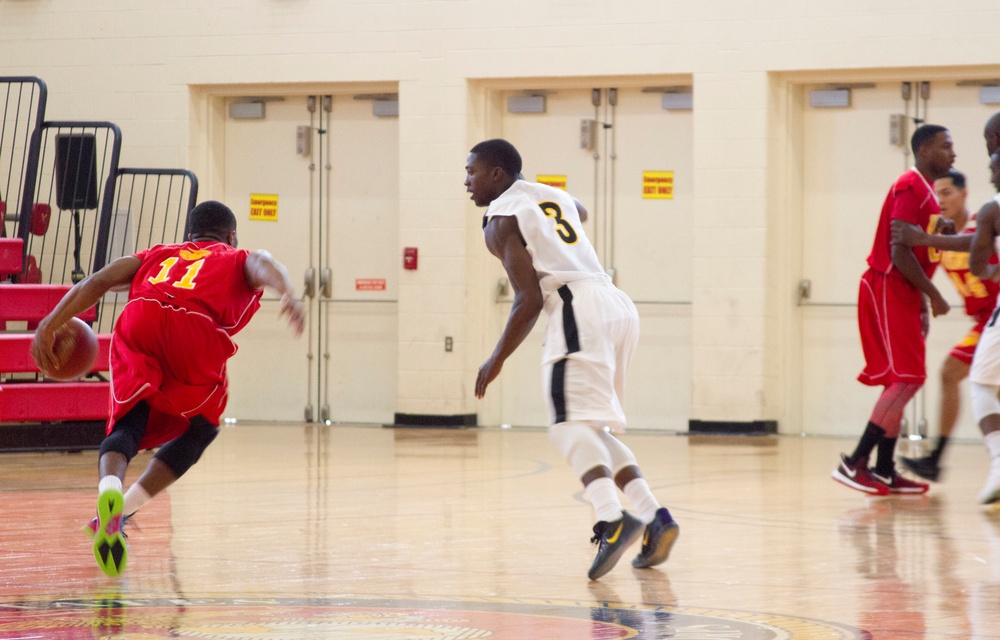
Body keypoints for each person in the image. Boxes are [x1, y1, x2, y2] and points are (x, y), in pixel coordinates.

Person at [31, 200, 305, 577]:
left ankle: (109, 493)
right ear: (231, 236)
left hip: (141, 319)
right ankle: (123, 510)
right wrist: (287, 290)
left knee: (128, 421)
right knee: (201, 426)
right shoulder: (233, 256)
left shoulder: (157, 255)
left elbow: (97, 282)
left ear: (188, 237)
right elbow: (262, 261)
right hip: (195, 329)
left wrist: (50, 322)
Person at [465, 138, 677, 580]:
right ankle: (654, 517)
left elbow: (527, 300)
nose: (467, 181)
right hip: (617, 304)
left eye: (472, 172)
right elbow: (578, 211)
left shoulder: (499, 222)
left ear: (497, 175)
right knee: (591, 429)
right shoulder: (552, 195)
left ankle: (611, 519)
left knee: (566, 426)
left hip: (577, 307)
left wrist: (496, 358)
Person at [831, 124, 956, 496]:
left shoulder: (930, 196)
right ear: (923, 150)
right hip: (887, 284)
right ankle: (854, 463)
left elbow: (919, 251)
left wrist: (920, 300)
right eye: (946, 146)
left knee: (905, 379)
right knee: (906, 378)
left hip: (903, 293)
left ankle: (884, 469)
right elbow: (899, 249)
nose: (953, 153)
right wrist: (933, 294)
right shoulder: (909, 184)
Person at [896, 170, 1000, 482]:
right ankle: (937, 460)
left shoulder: (982, 225)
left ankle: (938, 460)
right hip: (983, 323)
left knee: (953, 374)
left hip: (993, 319)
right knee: (954, 377)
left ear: (964, 194)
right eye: (936, 193)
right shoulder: (941, 232)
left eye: (947, 193)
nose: (940, 200)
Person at [966, 151, 1000, 504]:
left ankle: (999, 465)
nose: (991, 177)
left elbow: (977, 262)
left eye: (993, 169)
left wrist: (993, 271)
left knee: (981, 384)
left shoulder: (993, 209)